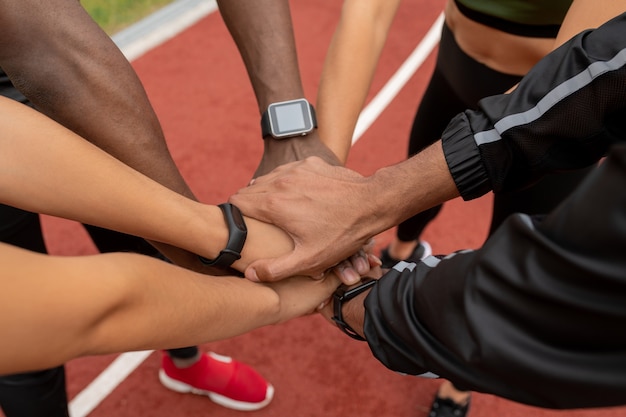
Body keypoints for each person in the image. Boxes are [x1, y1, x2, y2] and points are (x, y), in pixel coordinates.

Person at [230, 10, 626, 409]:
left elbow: (568, 88)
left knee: (510, 250)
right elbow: (366, 15)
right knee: (409, 210)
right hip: (453, 77)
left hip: (546, 112)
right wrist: (322, 182)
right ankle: (403, 249)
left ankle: (459, 381)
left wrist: (347, 272)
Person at [0, 0, 350, 414]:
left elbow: (48, 44)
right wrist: (271, 295)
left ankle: (185, 362)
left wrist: (213, 235)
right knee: (32, 334)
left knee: (152, 241)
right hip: (49, 66)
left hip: (50, 71)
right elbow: (92, 311)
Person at [0, 94, 359, 378]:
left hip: (39, 119)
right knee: (32, 362)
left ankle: (184, 362)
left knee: (143, 236)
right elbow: (98, 309)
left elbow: (9, 137)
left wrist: (221, 233)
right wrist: (280, 300)